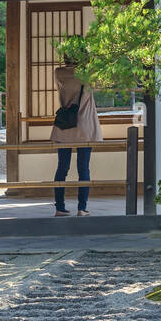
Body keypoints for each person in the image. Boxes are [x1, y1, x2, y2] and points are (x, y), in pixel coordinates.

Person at [50, 63, 102, 216]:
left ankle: (59, 207)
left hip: (65, 125)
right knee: (83, 168)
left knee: (62, 168)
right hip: (84, 125)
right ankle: (82, 207)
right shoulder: (88, 73)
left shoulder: (59, 72)